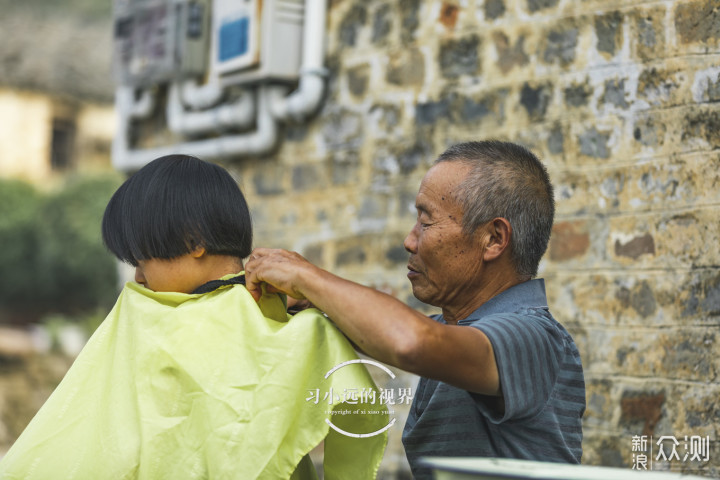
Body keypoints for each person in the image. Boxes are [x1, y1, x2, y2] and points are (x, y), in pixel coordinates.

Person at [0, 155, 387, 480]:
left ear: (192, 240)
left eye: (141, 260)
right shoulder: (289, 325)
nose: (137, 278)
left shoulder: (152, 316)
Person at [245, 140, 586, 479]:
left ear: (494, 239)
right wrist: (310, 303)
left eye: (426, 222)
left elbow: (411, 341)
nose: (409, 241)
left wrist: (306, 276)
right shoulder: (456, 328)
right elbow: (386, 332)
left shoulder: (533, 336)